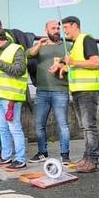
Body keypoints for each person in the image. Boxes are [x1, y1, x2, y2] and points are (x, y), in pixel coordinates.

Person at [60, 16, 99, 173]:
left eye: (65, 28)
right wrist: (64, 68)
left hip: (88, 89)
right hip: (78, 89)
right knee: (85, 127)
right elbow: (77, 66)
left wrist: (72, 63)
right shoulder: (75, 44)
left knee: (89, 126)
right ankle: (87, 157)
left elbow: (95, 62)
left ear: (75, 26)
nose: (63, 31)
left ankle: (93, 160)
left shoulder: (86, 40)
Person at [0, 26, 29, 170]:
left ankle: (20, 159)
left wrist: (0, 63)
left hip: (11, 97)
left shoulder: (17, 49)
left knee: (14, 128)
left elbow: (19, 70)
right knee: (3, 128)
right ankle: (6, 157)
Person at [28, 20, 71, 163]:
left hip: (61, 90)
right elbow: (28, 55)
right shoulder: (40, 46)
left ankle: (65, 155)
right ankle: (42, 152)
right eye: (53, 28)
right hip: (42, 91)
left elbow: (73, 63)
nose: (56, 30)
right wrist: (39, 44)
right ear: (46, 30)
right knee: (39, 124)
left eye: (58, 28)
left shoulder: (66, 45)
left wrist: (64, 65)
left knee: (63, 125)